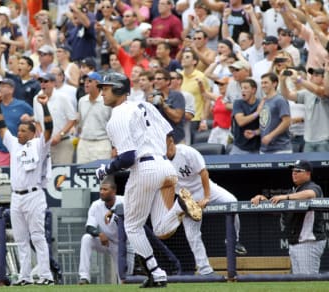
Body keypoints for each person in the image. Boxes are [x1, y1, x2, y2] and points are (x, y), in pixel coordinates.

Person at [95, 72, 202, 288]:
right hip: (166, 166)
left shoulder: (117, 117)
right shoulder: (146, 106)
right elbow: (168, 135)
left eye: (105, 88)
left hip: (144, 169)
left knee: (132, 226)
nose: (102, 93)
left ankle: (155, 271)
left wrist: (106, 168)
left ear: (117, 89)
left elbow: (126, 158)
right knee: (161, 229)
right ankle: (179, 207)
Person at [0, 92, 55, 285]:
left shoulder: (39, 145)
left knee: (37, 237)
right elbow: (1, 127)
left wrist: (44, 106)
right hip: (16, 197)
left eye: (23, 131)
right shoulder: (13, 144)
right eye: (18, 130)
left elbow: (49, 128)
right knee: (21, 240)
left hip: (34, 195)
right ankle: (25, 277)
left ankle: (46, 276)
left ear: (31, 132)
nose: (18, 133)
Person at [166, 134, 246, 276]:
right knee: (192, 235)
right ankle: (205, 270)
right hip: (186, 197)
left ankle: (233, 241)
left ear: (171, 141)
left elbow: (204, 173)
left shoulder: (187, 152)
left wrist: (207, 197)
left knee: (232, 202)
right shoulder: (161, 160)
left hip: (204, 188)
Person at [250, 160, 326, 274]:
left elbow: (311, 194)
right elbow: (278, 206)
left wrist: (286, 197)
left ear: (308, 174)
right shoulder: (294, 191)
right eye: (293, 170)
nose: (294, 173)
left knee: (308, 281)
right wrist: (262, 199)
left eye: (298, 171)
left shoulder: (312, 186)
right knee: (300, 282)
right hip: (296, 242)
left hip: (309, 242)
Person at [78, 175, 124, 285]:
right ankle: (84, 277)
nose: (102, 192)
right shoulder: (96, 205)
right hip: (106, 241)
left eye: (105, 189)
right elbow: (89, 227)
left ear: (114, 191)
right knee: (87, 238)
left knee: (123, 280)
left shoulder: (123, 201)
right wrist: (99, 234)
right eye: (101, 189)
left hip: (122, 245)